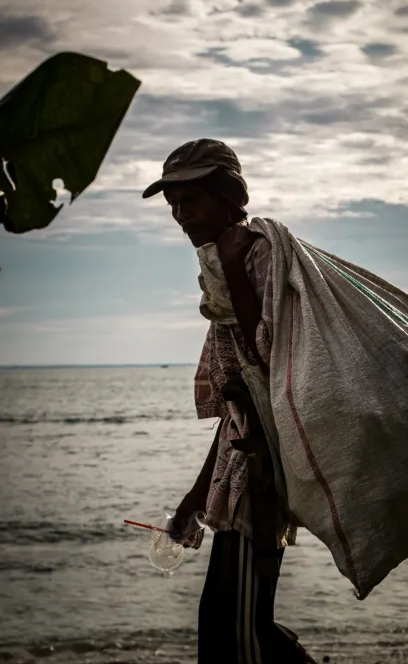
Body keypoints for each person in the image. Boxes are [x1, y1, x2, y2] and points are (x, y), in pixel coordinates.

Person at [142, 139, 316, 664]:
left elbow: (269, 358)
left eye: (190, 199)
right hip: (241, 473)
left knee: (238, 636)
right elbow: (239, 412)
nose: (180, 214)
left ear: (228, 195)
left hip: (261, 481)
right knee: (224, 624)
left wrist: (236, 268)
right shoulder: (226, 260)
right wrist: (194, 499)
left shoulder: (254, 252)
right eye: (173, 204)